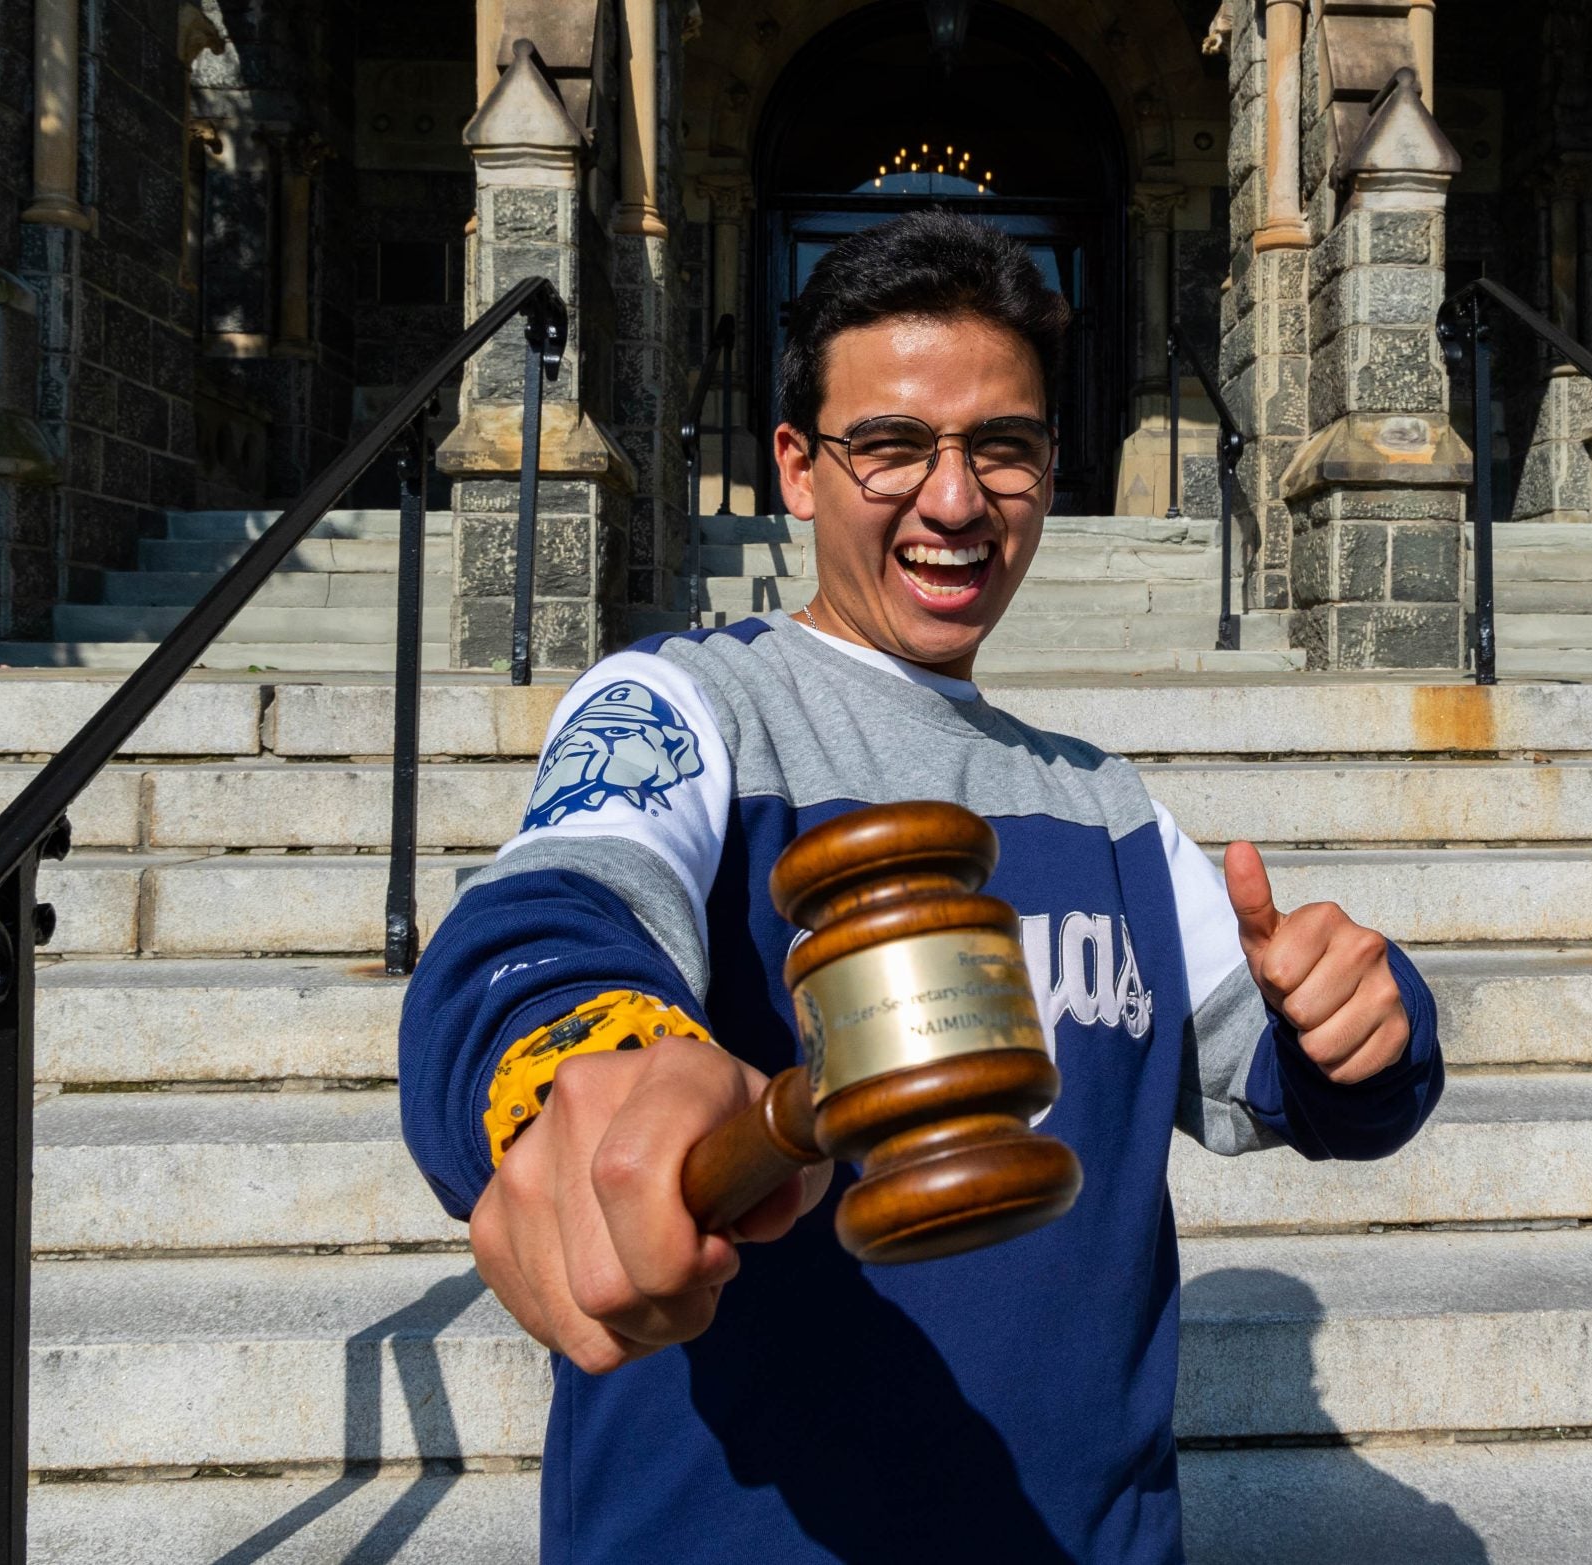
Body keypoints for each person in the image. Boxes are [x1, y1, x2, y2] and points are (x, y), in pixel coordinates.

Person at [399, 210, 1443, 1564]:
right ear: (797, 467)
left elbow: (1300, 1079)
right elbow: (550, 921)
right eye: (890, 446)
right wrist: (587, 1060)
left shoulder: (1106, 805)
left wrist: (1365, 1020)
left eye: (1001, 448)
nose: (954, 502)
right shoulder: (693, 705)